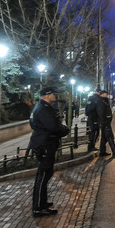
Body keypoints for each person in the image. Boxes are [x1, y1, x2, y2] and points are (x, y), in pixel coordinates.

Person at [28, 86, 70, 217]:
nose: (55, 96)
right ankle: (38, 208)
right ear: (47, 95)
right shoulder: (42, 109)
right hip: (45, 144)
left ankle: (42, 202)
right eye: (53, 94)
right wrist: (65, 130)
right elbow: (52, 126)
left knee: (45, 174)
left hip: (45, 143)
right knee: (43, 175)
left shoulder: (42, 107)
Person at [97, 90, 115, 157]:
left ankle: (102, 152)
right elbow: (101, 113)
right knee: (110, 137)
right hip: (105, 123)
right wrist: (105, 121)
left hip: (105, 122)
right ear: (103, 94)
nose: (107, 95)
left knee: (104, 138)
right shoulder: (101, 101)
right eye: (106, 94)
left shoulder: (103, 101)